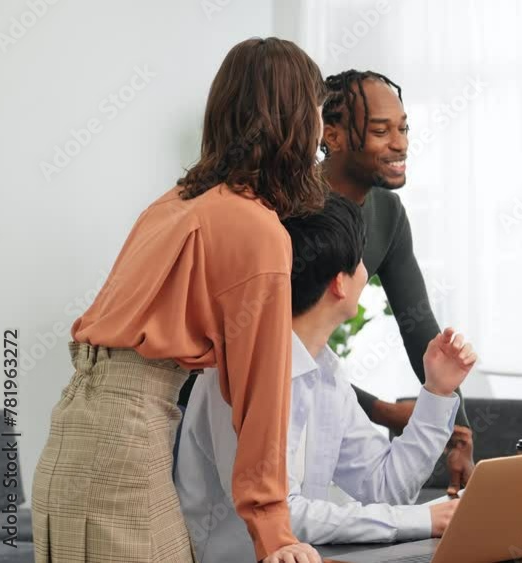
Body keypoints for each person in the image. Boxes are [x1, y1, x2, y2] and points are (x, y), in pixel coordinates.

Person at [31, 38, 323, 563]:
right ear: (295, 121)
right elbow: (262, 395)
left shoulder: (172, 204)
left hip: (69, 435)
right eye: (318, 112)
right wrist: (274, 531)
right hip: (122, 446)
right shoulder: (256, 229)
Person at [176, 194, 476, 562]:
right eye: (362, 261)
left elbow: (385, 489)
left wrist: (437, 392)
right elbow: (283, 517)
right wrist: (421, 520)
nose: (368, 271)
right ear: (339, 283)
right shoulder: (242, 371)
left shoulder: (326, 372)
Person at [320, 70, 475, 493]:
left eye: (404, 128)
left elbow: (418, 325)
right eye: (380, 130)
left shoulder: (387, 212)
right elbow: (283, 354)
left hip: (320, 402)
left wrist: (457, 430)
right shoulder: (293, 210)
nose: (400, 143)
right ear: (331, 136)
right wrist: (383, 411)